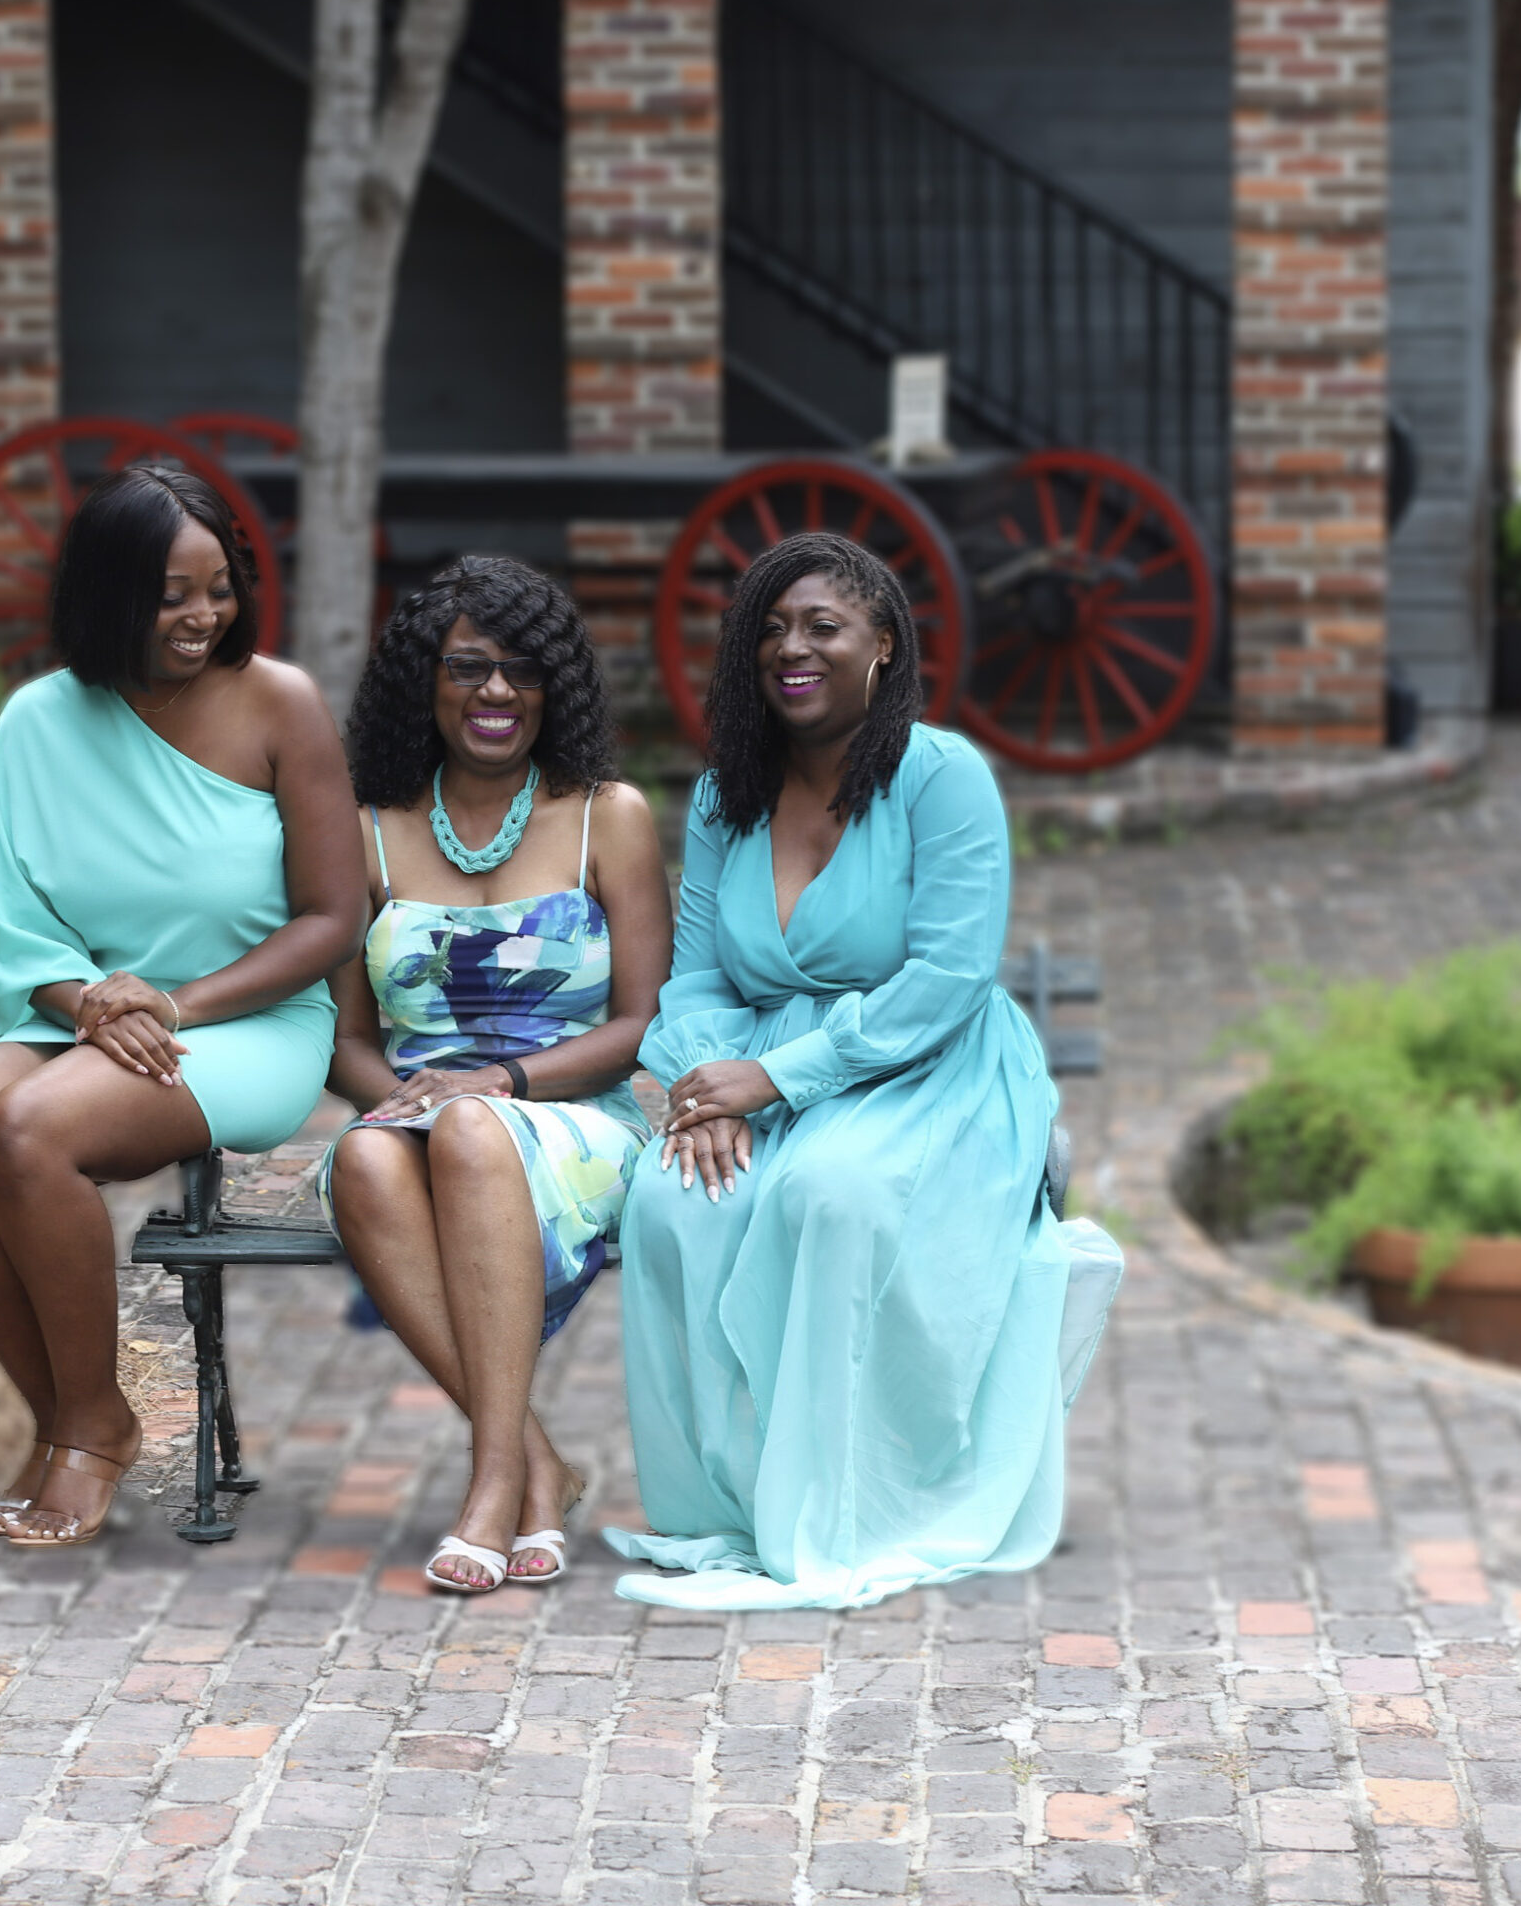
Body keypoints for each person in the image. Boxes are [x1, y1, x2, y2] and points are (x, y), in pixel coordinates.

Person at [607, 532, 1121, 1611]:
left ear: (882, 644)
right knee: (668, 1199)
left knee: (826, 1194)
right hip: (756, 1073)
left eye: (822, 626)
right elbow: (695, 976)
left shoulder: (943, 777)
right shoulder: (723, 795)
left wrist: (778, 1077)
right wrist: (708, 1084)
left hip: (928, 1066)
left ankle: (846, 1506)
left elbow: (945, 979)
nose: (791, 648)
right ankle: (725, 1506)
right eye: (771, 630)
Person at [0, 464, 363, 1549]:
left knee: (31, 1129)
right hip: (77, 1010)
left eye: (218, 588)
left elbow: (329, 917)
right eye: (169, 594)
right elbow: (18, 923)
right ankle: (80, 1411)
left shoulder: (278, 705)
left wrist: (176, 1001)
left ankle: (88, 1435)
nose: (202, 616)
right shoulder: (36, 723)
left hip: (249, 1018)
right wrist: (92, 1002)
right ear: (108, 594)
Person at [320, 558, 672, 1593]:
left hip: (571, 1113)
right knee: (362, 1165)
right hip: (422, 1119)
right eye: (467, 667)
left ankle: (488, 1480)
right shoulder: (366, 828)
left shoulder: (608, 814)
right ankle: (537, 1463)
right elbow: (342, 1034)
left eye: (524, 669)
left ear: (555, 682)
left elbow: (642, 1021)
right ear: (420, 683)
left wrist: (501, 1083)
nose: (496, 692)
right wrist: (395, 1097)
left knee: (471, 1130)